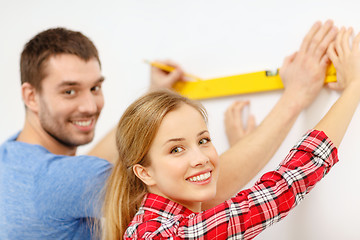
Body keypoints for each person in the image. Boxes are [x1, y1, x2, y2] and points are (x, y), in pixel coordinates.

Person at [0, 20, 336, 239]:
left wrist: (149, 104)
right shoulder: (67, 180)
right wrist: (296, 97)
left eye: (95, 87)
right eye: (69, 91)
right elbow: (203, 190)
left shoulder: (13, 158)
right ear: (31, 95)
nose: (89, 106)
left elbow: (83, 166)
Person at [101, 27, 360, 239]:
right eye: (176, 149)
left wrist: (245, 145)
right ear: (144, 172)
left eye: (203, 140)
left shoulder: (152, 224)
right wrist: (355, 85)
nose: (201, 158)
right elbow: (281, 190)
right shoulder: (164, 235)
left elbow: (225, 220)